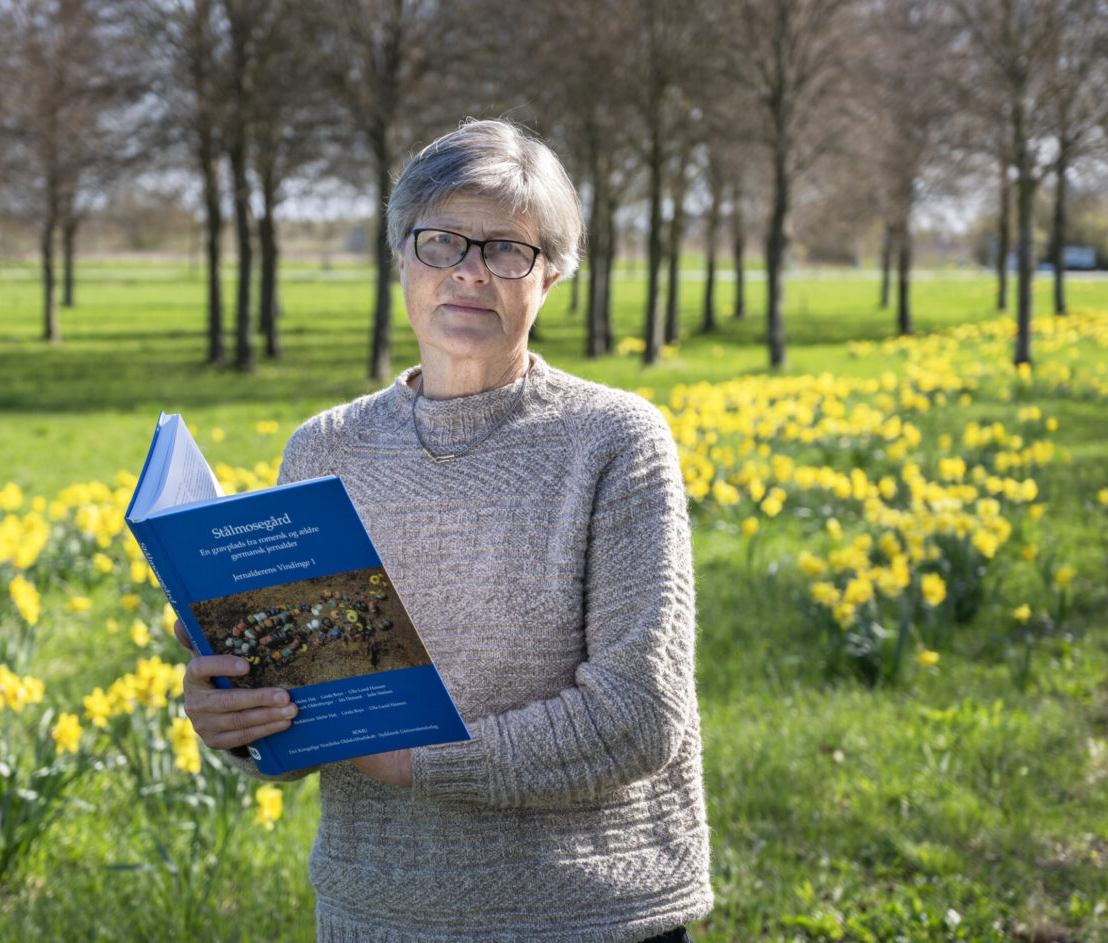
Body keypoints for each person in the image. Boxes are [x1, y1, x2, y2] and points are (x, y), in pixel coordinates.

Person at [175, 118, 713, 942]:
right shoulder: (325, 448)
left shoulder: (615, 439)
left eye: (507, 250)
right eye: (441, 242)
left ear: (553, 274)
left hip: (588, 914)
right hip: (377, 914)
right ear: (401, 258)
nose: (469, 272)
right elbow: (314, 702)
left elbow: (639, 712)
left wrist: (416, 762)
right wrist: (241, 726)